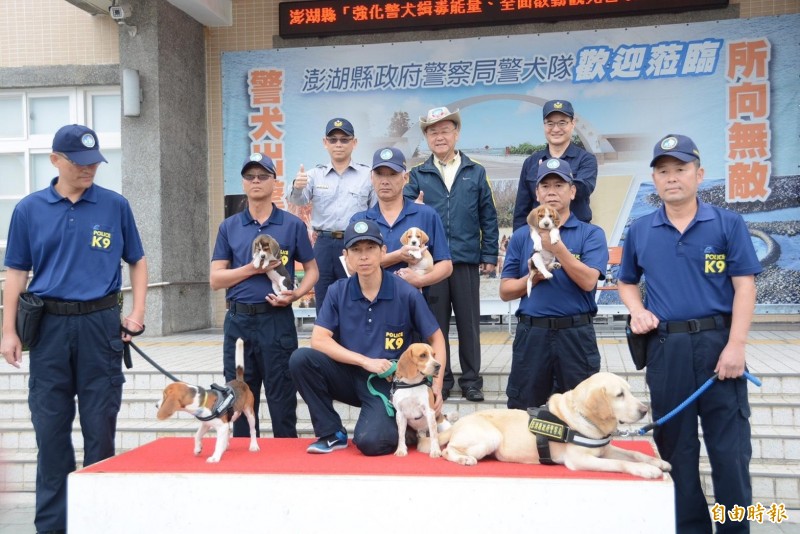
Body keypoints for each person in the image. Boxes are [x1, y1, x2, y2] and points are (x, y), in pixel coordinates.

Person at [0, 124, 148, 534]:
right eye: (80, 163)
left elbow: (137, 260)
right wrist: (7, 331)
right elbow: (15, 272)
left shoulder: (114, 205)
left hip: (100, 326)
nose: (89, 170)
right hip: (47, 330)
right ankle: (53, 526)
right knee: (51, 434)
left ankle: (97, 522)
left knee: (100, 429)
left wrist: (136, 312)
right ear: (55, 160)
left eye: (94, 163)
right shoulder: (29, 209)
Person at [617, 134, 761, 534]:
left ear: (699, 174)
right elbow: (627, 281)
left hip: (720, 348)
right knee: (676, 450)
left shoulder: (727, 223)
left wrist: (737, 346)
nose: (672, 178)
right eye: (663, 171)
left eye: (680, 169)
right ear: (654, 178)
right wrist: (638, 309)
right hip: (667, 349)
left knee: (729, 452)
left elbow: (745, 286)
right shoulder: (641, 229)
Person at [289, 220, 447, 455]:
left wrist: (436, 386)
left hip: (386, 384)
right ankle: (332, 433)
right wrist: (364, 361)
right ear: (347, 257)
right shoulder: (337, 291)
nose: (363, 257)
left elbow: (437, 339)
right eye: (356, 250)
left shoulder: (406, 292)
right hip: (347, 374)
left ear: (383, 251)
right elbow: (319, 340)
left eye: (370, 248)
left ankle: (403, 428)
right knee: (301, 359)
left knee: (373, 442)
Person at [211, 152, 318, 439]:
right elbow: (216, 279)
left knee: (282, 399)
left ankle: (285, 469)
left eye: (263, 176)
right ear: (244, 183)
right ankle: (244, 467)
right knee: (239, 398)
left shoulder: (291, 225)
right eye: (250, 177)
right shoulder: (229, 226)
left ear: (274, 182)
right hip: (239, 321)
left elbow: (312, 271)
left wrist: (295, 295)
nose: (256, 181)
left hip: (277, 321)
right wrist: (251, 269)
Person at [405, 106, 499, 402]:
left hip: (466, 260)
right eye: (433, 132)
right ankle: (440, 380)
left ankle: (471, 381)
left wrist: (489, 254)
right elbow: (406, 216)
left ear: (456, 134)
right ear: (426, 138)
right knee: (435, 325)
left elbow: (489, 216)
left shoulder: (475, 171)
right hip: (431, 265)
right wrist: (414, 210)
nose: (440, 137)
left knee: (470, 324)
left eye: (445, 130)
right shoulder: (418, 175)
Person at [500, 158, 607, 409]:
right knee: (525, 412)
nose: (551, 191)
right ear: (536, 193)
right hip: (532, 336)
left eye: (559, 185)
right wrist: (532, 278)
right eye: (545, 185)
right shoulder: (520, 236)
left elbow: (589, 281)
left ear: (572, 191)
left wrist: (556, 248)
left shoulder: (590, 234)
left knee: (584, 411)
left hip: (576, 336)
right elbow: (505, 291)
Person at [286, 117, 375, 313]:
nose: (339, 144)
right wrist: (297, 186)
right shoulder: (313, 175)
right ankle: (324, 342)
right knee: (324, 301)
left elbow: (376, 212)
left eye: (344, 139)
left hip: (355, 245)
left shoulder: (368, 175)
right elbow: (298, 200)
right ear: (325, 143)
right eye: (333, 139)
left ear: (354, 142)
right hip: (323, 245)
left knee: (356, 298)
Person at [351, 146, 452, 290]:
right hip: (371, 306)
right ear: (371, 178)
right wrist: (398, 256)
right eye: (379, 174)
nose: (385, 181)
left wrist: (420, 280)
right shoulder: (360, 221)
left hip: (414, 306)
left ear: (405, 178)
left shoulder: (427, 215)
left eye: (392, 174)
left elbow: (446, 266)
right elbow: (352, 269)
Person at [512, 100, 598, 230]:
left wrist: (554, 174)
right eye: (550, 123)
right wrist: (519, 240)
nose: (556, 129)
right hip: (539, 236)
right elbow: (521, 209)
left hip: (576, 234)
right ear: (544, 125)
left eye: (562, 123)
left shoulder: (586, 159)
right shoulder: (531, 162)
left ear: (573, 124)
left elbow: (584, 189)